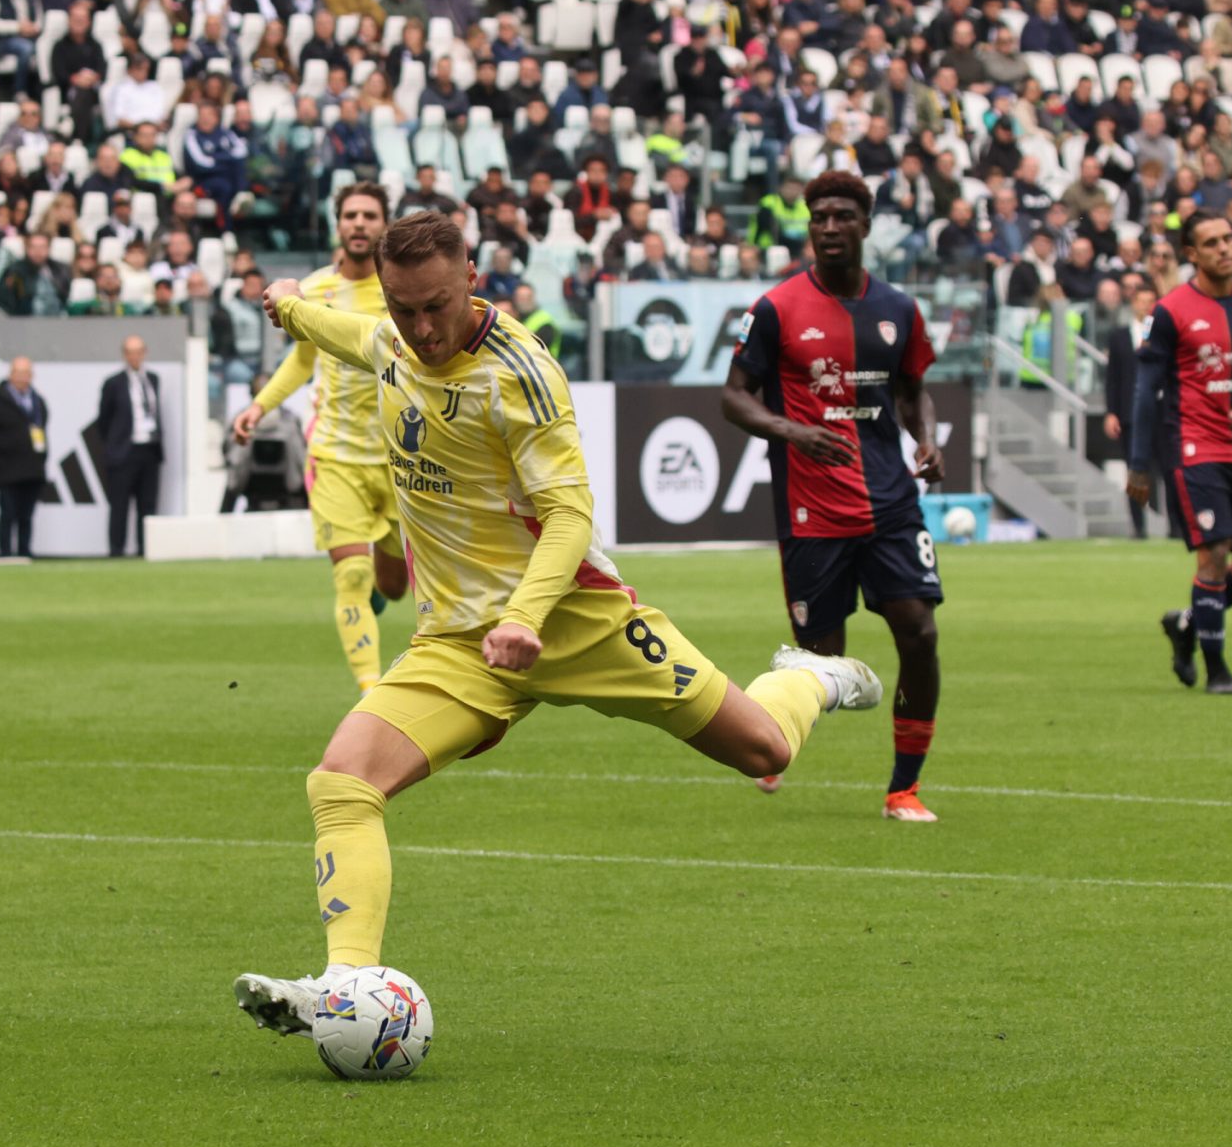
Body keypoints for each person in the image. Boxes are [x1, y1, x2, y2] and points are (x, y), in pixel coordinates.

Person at [233, 212, 880, 1039]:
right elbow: (345, 329)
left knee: (764, 749)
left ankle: (810, 675)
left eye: (435, 305)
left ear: (471, 276)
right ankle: (346, 984)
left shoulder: (522, 374)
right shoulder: (389, 342)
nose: (421, 329)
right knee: (342, 782)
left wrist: (526, 615)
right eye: (403, 309)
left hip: (578, 622)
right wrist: (287, 305)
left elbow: (570, 516)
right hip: (461, 646)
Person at [720, 171, 948, 822]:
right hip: (813, 508)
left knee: (921, 633)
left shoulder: (899, 309)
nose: (828, 226)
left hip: (892, 503)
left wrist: (926, 440)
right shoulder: (776, 308)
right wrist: (794, 432)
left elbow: (911, 391)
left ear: (866, 225)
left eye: (842, 215)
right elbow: (734, 395)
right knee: (820, 660)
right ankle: (770, 732)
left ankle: (904, 789)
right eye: (818, 216)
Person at [226, 183, 409, 691]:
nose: (358, 223)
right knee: (350, 576)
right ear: (338, 224)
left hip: (400, 460)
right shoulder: (313, 290)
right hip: (334, 455)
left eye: (369, 215)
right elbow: (302, 360)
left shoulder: (401, 290)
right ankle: (371, 691)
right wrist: (261, 405)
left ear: (383, 225)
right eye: (350, 214)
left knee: (393, 587)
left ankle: (376, 598)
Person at [1128, 214, 1232, 696]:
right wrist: (1138, 463)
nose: (1223, 249)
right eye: (1210, 243)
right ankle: (1218, 672)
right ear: (1191, 255)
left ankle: (1188, 624)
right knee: (1214, 554)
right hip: (1193, 447)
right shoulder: (1171, 311)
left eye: (1229, 239)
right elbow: (1145, 389)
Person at [97, 334, 164, 557]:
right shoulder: (113, 383)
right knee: (120, 505)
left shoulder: (153, 379)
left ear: (144, 353)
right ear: (125, 355)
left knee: (148, 504)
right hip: (123, 453)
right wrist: (114, 446)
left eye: (138, 351)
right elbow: (104, 421)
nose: (135, 356)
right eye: (130, 352)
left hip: (149, 450)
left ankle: (145, 549)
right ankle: (116, 550)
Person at [1101, 280, 1158, 539]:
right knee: (1135, 472)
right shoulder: (1120, 336)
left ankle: (1176, 527)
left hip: (1160, 412)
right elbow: (1113, 377)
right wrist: (1111, 411)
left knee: (1168, 470)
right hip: (1130, 414)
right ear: (1133, 304)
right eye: (1141, 301)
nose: (1145, 306)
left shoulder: (1165, 336)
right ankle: (1139, 528)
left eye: (1150, 302)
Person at [0, 355, 49, 557]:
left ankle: (25, 552)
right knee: (8, 513)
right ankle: (5, 553)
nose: (22, 377)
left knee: (26, 515)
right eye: (18, 372)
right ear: (10, 375)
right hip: (7, 469)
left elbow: (42, 434)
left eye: (26, 373)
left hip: (33, 468)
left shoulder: (38, 402)